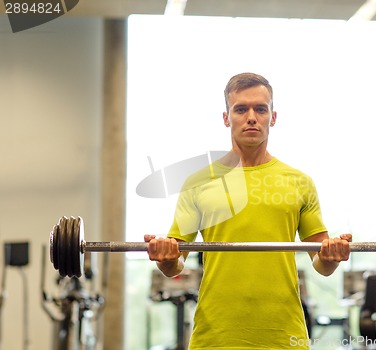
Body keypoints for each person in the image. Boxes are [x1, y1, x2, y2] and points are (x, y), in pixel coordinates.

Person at [145, 72, 352, 349]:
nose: (251, 117)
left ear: (273, 117)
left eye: (260, 109)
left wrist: (333, 254)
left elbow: (321, 263)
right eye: (241, 109)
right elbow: (173, 265)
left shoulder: (299, 182)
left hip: (283, 335)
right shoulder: (198, 183)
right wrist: (164, 254)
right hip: (215, 336)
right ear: (226, 118)